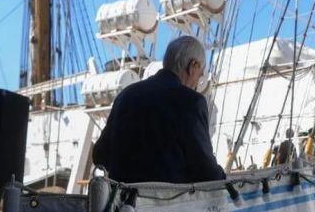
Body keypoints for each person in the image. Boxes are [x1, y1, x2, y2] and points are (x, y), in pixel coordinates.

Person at [93, 36, 225, 184]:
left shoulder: (125, 96)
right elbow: (207, 172)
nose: (196, 85)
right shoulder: (191, 102)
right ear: (192, 66)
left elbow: (100, 156)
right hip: (165, 204)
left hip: (120, 202)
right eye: (199, 75)